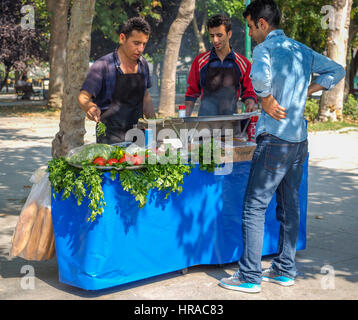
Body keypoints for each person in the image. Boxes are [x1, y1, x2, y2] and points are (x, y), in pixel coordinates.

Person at [219, 0, 345, 293]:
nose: (250, 33)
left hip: (275, 140)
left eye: (250, 27)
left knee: (253, 206)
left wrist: (263, 97)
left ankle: (250, 276)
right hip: (299, 141)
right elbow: (336, 71)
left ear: (262, 24)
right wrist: (307, 90)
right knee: (289, 206)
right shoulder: (300, 49)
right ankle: (284, 269)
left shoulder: (265, 49)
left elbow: (260, 78)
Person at [78, 17, 156, 144]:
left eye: (144, 44)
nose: (141, 49)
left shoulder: (143, 65)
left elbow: (145, 96)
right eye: (136, 43)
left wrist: (155, 125)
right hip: (109, 136)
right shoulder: (102, 65)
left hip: (138, 135)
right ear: (122, 38)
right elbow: (83, 96)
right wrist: (90, 107)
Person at [184, 13, 257, 117]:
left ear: (229, 34)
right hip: (204, 122)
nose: (215, 40)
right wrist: (185, 118)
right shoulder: (200, 61)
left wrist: (250, 103)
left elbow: (249, 92)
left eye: (219, 35)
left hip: (231, 122)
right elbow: (192, 92)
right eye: (212, 36)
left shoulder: (243, 63)